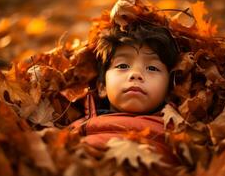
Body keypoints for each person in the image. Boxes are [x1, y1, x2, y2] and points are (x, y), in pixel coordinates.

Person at [70, 20, 180, 164]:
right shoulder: (80, 126)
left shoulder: (177, 131)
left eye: (152, 68)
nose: (136, 74)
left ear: (168, 90)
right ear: (102, 87)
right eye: (122, 65)